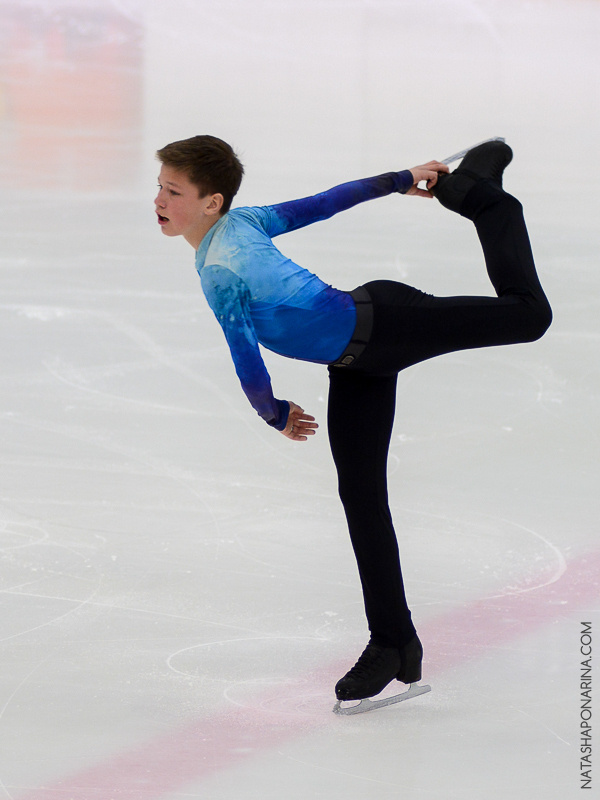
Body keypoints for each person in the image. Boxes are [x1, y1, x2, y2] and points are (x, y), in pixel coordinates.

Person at [154, 136, 552, 703]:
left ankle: (483, 195)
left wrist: (274, 413)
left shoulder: (223, 268)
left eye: (173, 191)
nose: (159, 200)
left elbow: (247, 360)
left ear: (211, 202)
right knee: (361, 497)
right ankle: (394, 643)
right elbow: (327, 201)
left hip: (388, 324)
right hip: (356, 363)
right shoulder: (241, 224)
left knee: (530, 316)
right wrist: (397, 179)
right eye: (160, 187)